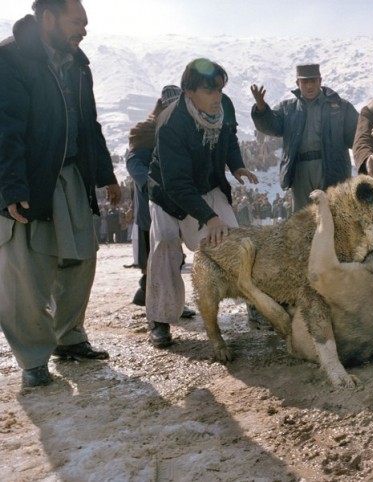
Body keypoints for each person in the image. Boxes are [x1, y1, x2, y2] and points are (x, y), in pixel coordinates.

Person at [0, 0, 121, 388]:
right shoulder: (11, 57)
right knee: (28, 271)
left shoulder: (79, 65)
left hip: (71, 176)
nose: (84, 29)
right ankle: (33, 358)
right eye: (77, 21)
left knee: (81, 259)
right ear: (47, 17)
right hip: (31, 178)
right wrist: (10, 187)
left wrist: (106, 174)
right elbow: (5, 127)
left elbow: (90, 124)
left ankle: (69, 337)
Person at [145, 58, 258, 348]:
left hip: (208, 184)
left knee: (234, 241)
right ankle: (160, 319)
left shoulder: (225, 106)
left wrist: (237, 166)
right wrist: (209, 218)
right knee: (167, 244)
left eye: (219, 89)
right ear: (189, 92)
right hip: (169, 194)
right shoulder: (171, 123)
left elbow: (229, 137)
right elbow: (177, 184)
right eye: (209, 91)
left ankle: (257, 303)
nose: (217, 97)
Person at [125, 84, 195, 319]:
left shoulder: (185, 131)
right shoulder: (145, 131)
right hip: (151, 204)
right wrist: (154, 185)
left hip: (177, 205)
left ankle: (169, 303)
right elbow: (135, 163)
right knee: (156, 258)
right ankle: (155, 307)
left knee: (174, 257)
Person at [250, 64, 358, 212]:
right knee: (303, 220)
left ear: (320, 81)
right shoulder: (288, 108)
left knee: (334, 216)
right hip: (300, 171)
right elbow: (271, 127)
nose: (309, 86)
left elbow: (357, 138)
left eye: (313, 81)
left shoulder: (340, 107)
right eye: (304, 82)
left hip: (331, 168)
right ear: (297, 83)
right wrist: (261, 108)